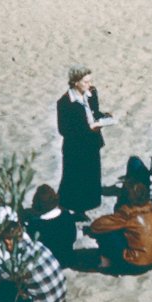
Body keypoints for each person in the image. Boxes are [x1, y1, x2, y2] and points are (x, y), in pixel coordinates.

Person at [56, 66, 109, 217]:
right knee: (75, 178)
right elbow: (64, 130)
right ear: (75, 83)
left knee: (91, 175)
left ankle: (87, 205)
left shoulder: (91, 94)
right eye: (86, 82)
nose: (89, 84)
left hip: (92, 142)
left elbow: (94, 113)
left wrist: (104, 117)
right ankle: (76, 208)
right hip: (76, 147)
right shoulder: (65, 103)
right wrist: (87, 130)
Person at [85, 180, 152, 273]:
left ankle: (106, 263)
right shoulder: (150, 208)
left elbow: (97, 226)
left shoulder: (128, 212)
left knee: (106, 233)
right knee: (122, 229)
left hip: (137, 264)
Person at [24, 184, 78, 267]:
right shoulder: (66, 215)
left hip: (48, 262)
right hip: (67, 258)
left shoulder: (36, 224)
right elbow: (73, 237)